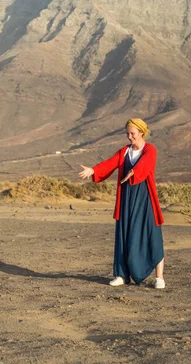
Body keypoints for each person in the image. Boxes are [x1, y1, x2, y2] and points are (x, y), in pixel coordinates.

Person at [79, 118, 165, 289]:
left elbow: (146, 164)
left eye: (132, 133)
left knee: (152, 234)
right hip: (126, 198)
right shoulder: (124, 151)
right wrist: (94, 170)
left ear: (141, 132)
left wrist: (134, 171)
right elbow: (110, 164)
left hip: (145, 198)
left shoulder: (150, 149)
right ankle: (121, 275)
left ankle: (159, 277)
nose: (129, 137)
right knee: (123, 234)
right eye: (127, 133)